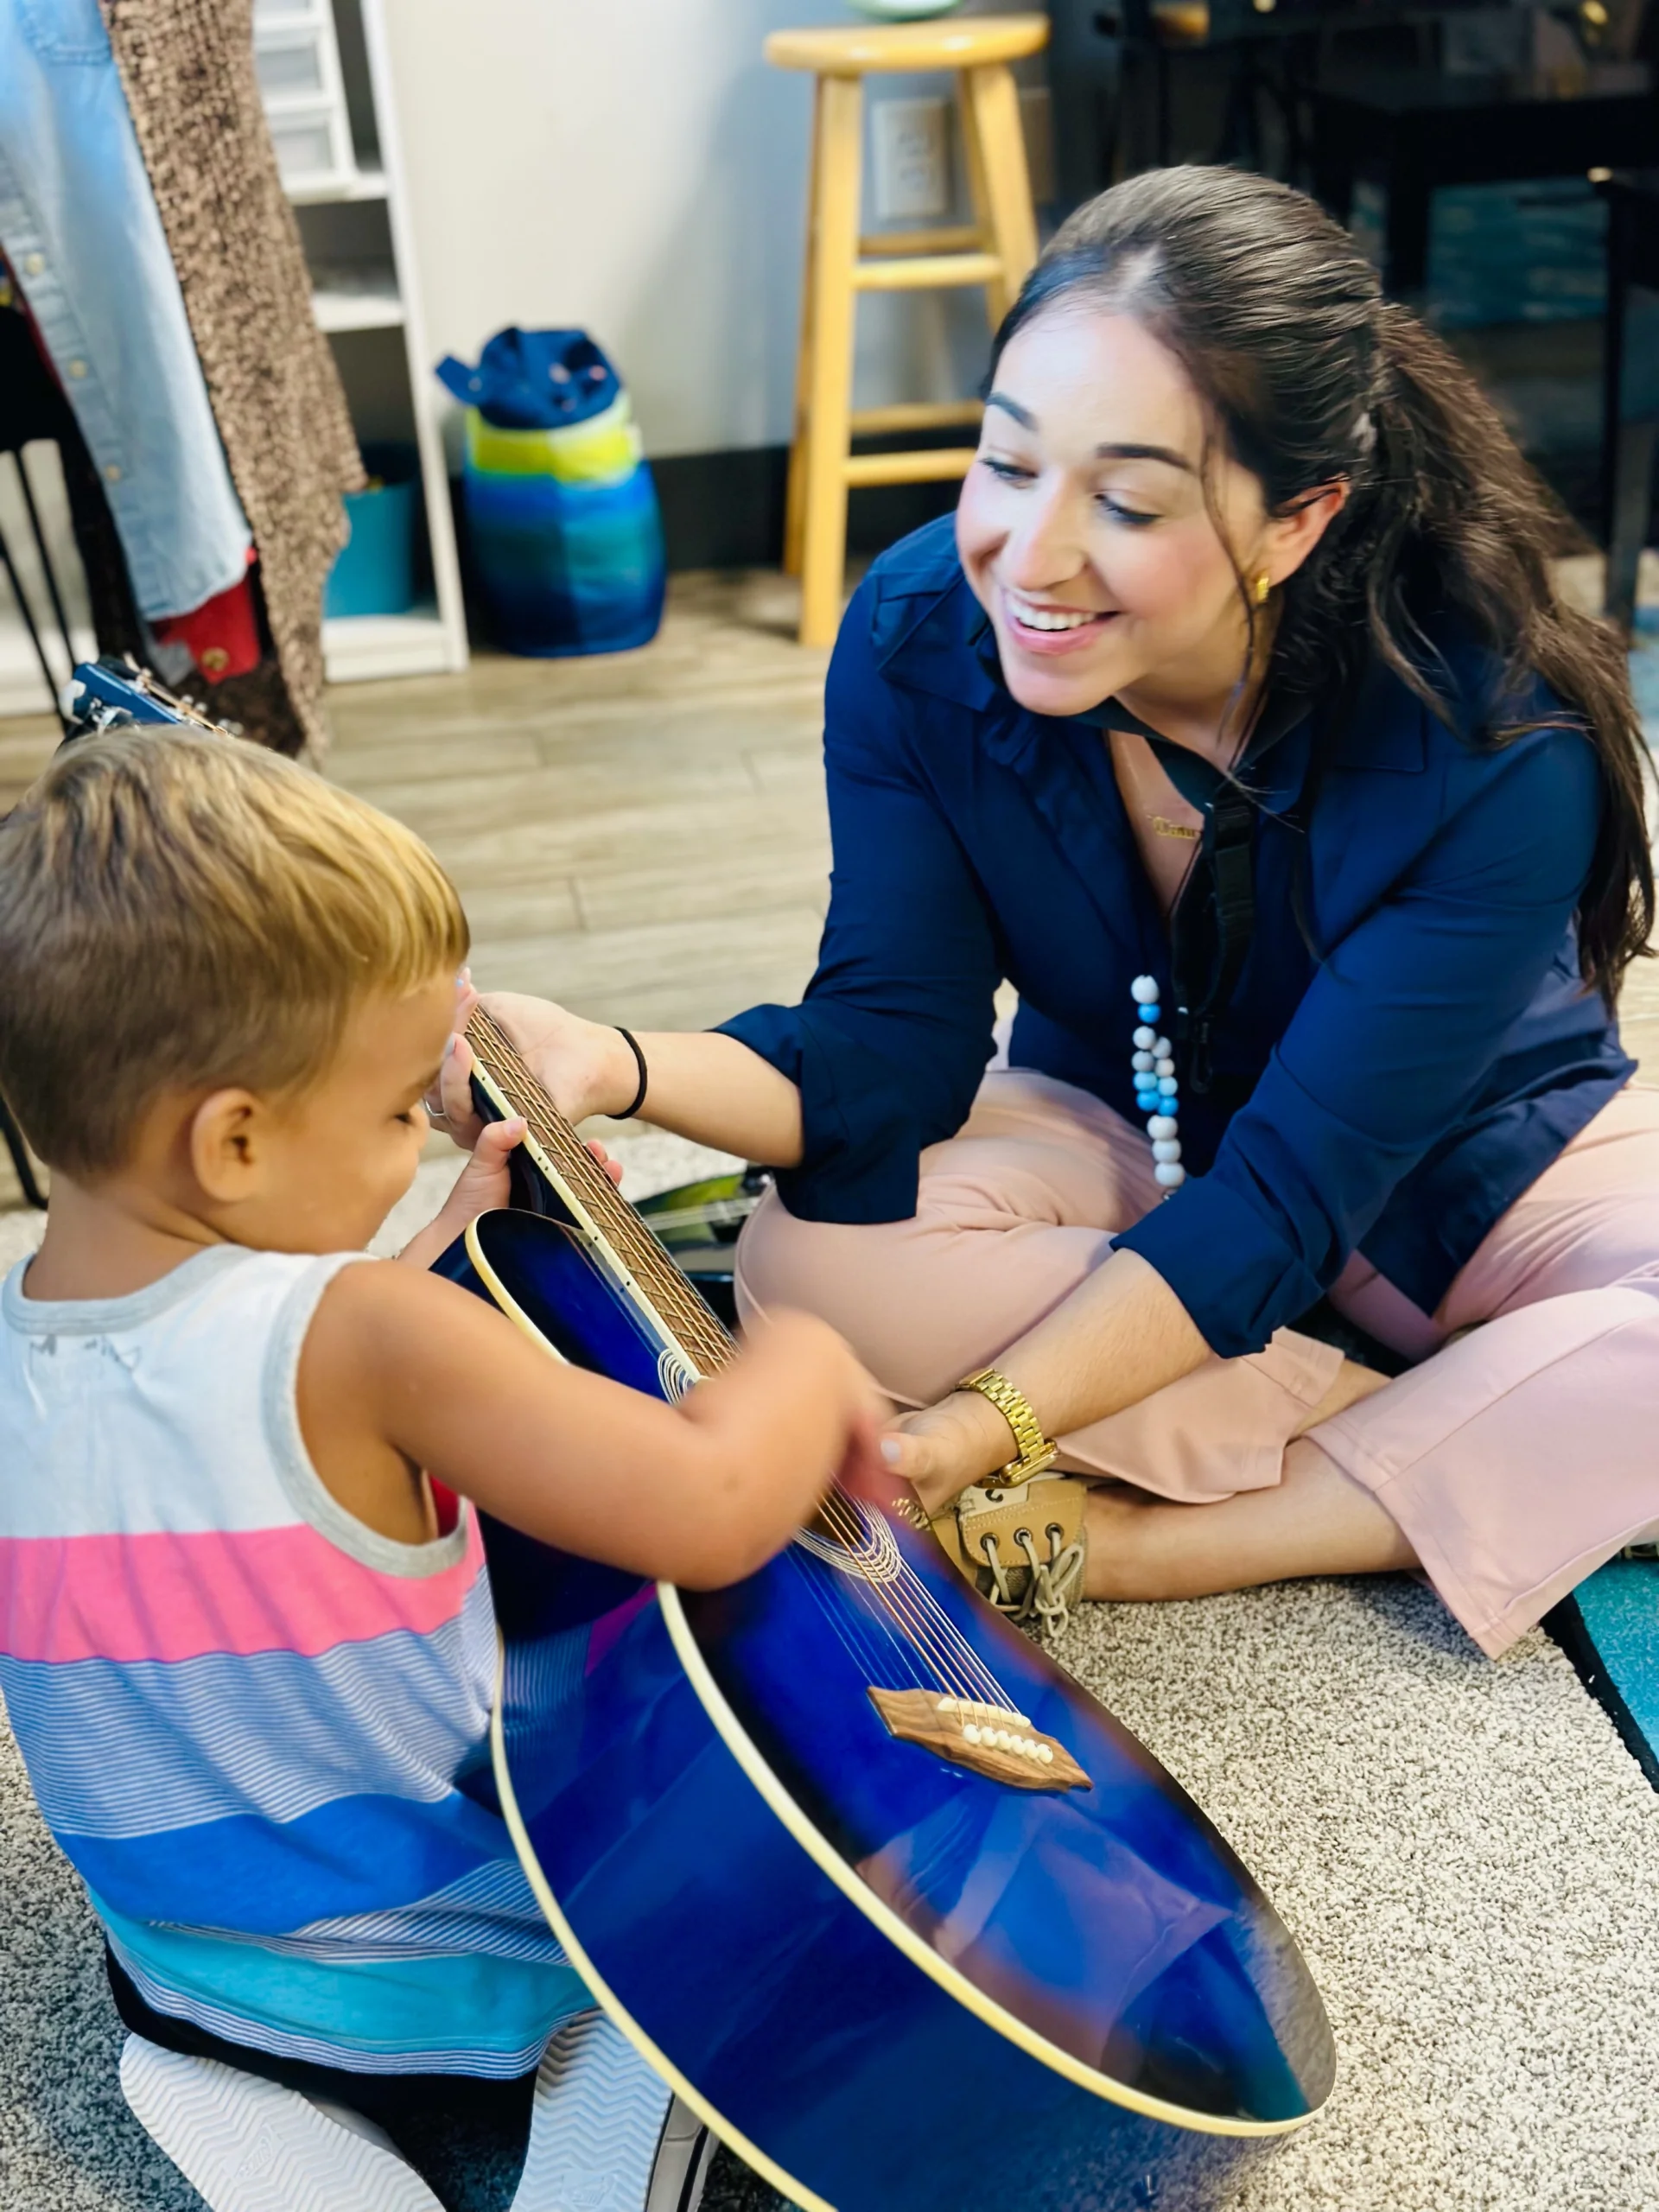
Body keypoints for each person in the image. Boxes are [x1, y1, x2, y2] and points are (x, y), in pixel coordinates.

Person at [447, 166, 1659, 1661]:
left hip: (1475, 1164)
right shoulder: (920, 637)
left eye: (1126, 502)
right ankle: (1482, 1428)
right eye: (1008, 464)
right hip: (1125, 1124)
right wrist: (609, 1062)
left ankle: (1168, 1536)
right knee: (811, 1264)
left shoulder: (1496, 742)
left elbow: (1290, 1195)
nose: (1031, 557)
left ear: (1298, 520)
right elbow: (889, 1051)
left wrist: (978, 1428)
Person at [0, 728, 880, 2212]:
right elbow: (714, 1508)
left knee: (203, 1945)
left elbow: (248, 1405)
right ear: (235, 1142)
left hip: (190, 1967)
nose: (420, 1136)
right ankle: (593, 2072)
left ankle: (248, 2081)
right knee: (761, 1894)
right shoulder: (375, 1340)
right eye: (400, 1111)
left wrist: (454, 1228)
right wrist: (809, 1362)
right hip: (479, 1953)